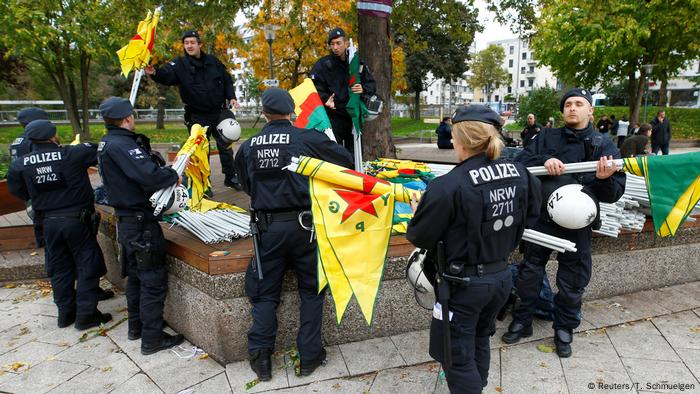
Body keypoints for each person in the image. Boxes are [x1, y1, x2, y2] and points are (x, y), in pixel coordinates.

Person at [406, 105, 542, 393]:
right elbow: (531, 215)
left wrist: (420, 211)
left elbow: (420, 236)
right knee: (479, 339)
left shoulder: (448, 185)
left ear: (461, 140)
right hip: (501, 278)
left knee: (455, 356)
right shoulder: (519, 172)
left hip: (463, 286)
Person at [234, 88, 353, 381]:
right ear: (292, 112)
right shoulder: (306, 137)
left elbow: (246, 185)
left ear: (263, 113)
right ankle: (310, 356)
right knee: (312, 290)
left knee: (264, 294)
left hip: (267, 229)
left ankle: (261, 359)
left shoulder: (248, 147)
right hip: (305, 229)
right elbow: (345, 162)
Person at [502, 88, 626, 358]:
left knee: (573, 279)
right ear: (562, 111)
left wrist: (604, 179)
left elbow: (615, 193)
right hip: (542, 218)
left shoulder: (603, 145)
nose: (572, 108)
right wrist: (545, 159)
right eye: (568, 104)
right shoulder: (546, 136)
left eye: (579, 104)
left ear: (590, 110)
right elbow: (521, 161)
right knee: (530, 271)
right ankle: (522, 321)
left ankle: (564, 329)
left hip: (577, 224)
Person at [96, 97, 185, 355]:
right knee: (153, 281)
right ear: (127, 119)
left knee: (135, 277)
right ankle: (152, 338)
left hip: (127, 221)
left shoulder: (106, 143)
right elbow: (148, 175)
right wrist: (172, 175)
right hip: (140, 223)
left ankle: (136, 327)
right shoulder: (123, 145)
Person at [7, 120, 111, 330]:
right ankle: (86, 315)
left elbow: (18, 191)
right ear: (53, 136)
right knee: (87, 264)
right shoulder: (72, 154)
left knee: (59, 268)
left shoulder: (20, 163)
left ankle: (65, 314)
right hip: (76, 220)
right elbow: (101, 151)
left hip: (47, 222)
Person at [145, 29, 241, 190]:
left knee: (226, 144)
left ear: (199, 44)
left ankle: (231, 177)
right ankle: (203, 185)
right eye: (186, 43)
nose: (189, 46)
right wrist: (154, 72)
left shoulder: (213, 61)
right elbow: (166, 74)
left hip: (219, 111)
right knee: (201, 151)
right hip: (197, 114)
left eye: (192, 42)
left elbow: (227, 80)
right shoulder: (179, 64)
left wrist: (231, 97)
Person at [310, 27, 377, 155]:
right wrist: (325, 100)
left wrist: (363, 89)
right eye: (332, 44)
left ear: (346, 44)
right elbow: (313, 87)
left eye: (338, 43)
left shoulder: (356, 63)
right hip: (333, 118)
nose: (335, 47)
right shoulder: (323, 65)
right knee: (335, 155)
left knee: (356, 155)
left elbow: (371, 84)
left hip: (353, 118)